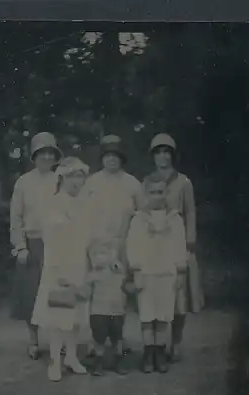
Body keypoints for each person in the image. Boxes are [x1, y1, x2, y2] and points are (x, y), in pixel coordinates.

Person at [83, 135, 144, 357]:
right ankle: (96, 339)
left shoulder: (132, 183)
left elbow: (142, 214)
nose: (111, 160)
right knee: (97, 291)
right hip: (96, 245)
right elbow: (84, 213)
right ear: (102, 159)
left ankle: (119, 338)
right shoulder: (91, 183)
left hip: (123, 243)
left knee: (119, 293)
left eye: (115, 157)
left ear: (122, 159)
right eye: (107, 156)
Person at [32, 157, 91, 382]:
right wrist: (59, 271)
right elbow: (52, 240)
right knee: (58, 315)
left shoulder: (84, 204)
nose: (77, 182)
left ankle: (72, 356)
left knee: (75, 316)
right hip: (58, 266)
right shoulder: (54, 205)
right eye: (73, 177)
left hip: (79, 264)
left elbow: (87, 236)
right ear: (63, 179)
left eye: (80, 177)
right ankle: (55, 361)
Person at [148, 133, 204, 362]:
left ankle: (176, 342)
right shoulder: (148, 181)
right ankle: (156, 344)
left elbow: (190, 212)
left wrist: (190, 241)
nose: (163, 157)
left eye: (167, 152)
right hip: (156, 243)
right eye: (159, 153)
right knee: (158, 294)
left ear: (173, 155)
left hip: (178, 241)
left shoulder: (183, 182)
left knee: (179, 296)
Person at [126, 173, 187, 373]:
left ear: (166, 193)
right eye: (152, 192)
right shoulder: (138, 219)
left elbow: (180, 246)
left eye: (160, 192)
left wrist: (179, 272)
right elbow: (132, 246)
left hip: (167, 274)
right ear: (145, 194)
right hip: (146, 274)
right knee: (147, 316)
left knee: (163, 317)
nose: (157, 196)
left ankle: (159, 352)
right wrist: (136, 271)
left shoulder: (175, 219)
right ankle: (148, 352)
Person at [10, 132, 63, 360]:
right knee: (31, 294)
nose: (47, 157)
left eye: (51, 153)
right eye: (42, 153)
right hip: (32, 244)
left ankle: (57, 341)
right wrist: (20, 247)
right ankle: (33, 340)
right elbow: (16, 218)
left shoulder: (61, 179)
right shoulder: (24, 182)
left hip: (57, 244)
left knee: (57, 294)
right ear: (34, 156)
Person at [85, 240, 129, 376]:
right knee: (99, 339)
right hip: (98, 312)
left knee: (117, 338)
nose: (99, 257)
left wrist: (117, 266)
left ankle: (119, 361)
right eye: (95, 254)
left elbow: (124, 282)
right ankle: (98, 362)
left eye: (103, 253)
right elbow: (85, 292)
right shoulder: (91, 275)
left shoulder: (116, 270)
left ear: (110, 255)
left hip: (116, 311)